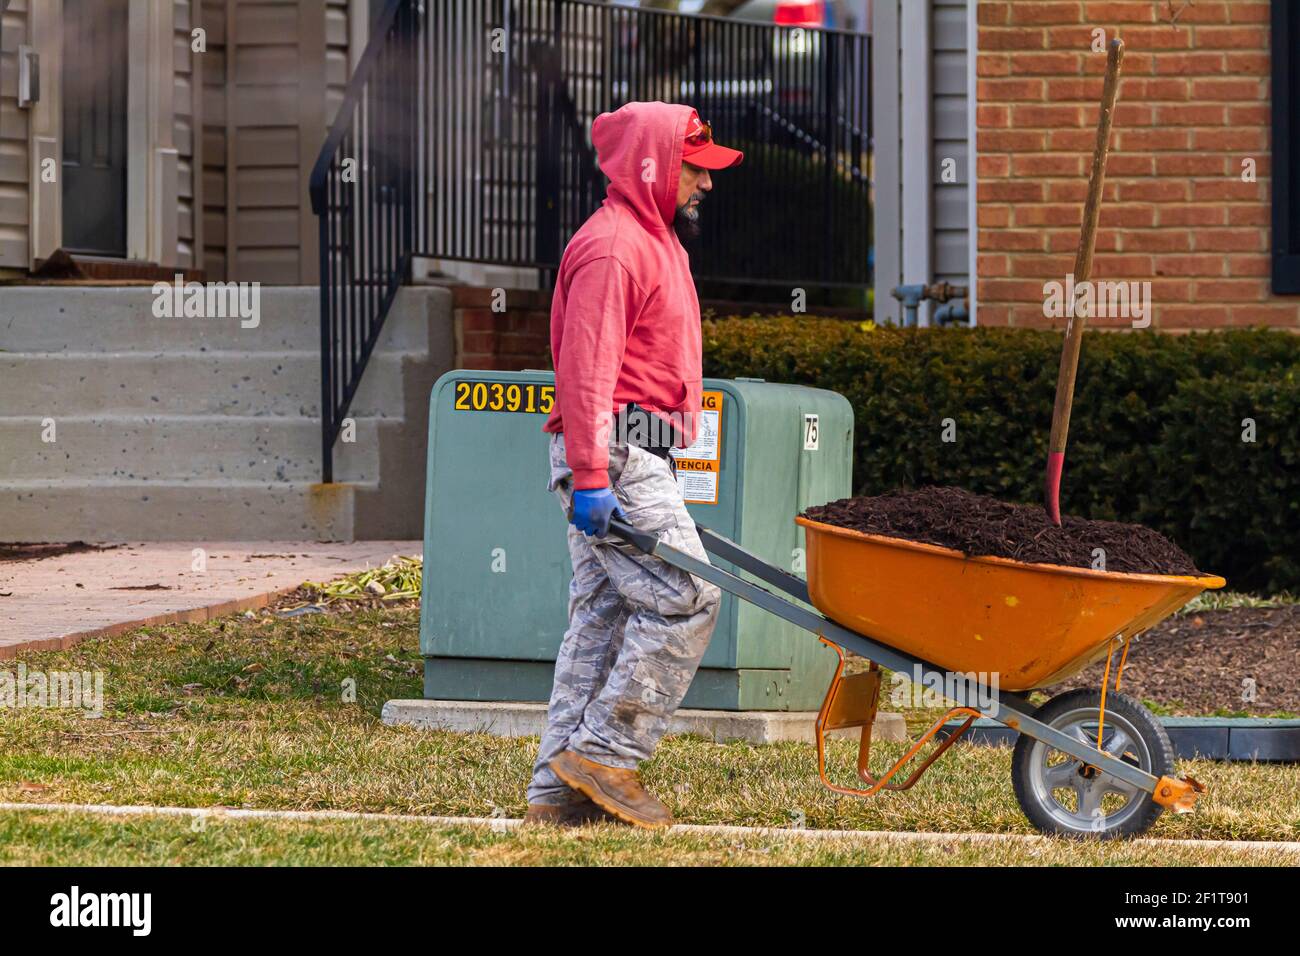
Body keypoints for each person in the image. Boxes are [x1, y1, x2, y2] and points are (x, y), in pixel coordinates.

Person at [525, 102, 743, 828]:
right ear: (652, 163)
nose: (705, 186)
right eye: (694, 170)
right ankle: (607, 754)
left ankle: (556, 794)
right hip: (613, 452)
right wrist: (590, 476)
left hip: (633, 449)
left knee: (603, 615)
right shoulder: (615, 248)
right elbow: (585, 372)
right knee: (688, 595)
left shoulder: (655, 240)